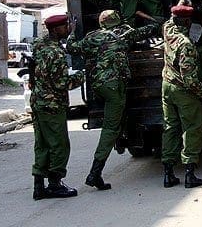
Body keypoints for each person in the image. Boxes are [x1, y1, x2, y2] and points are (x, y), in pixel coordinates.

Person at [66, 10, 159, 191]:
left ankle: (123, 140)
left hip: (98, 86)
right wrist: (151, 19)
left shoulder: (92, 37)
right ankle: (95, 173)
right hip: (114, 87)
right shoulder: (125, 33)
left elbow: (71, 48)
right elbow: (151, 29)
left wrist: (72, 31)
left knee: (117, 120)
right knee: (110, 129)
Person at [30, 14, 85, 200]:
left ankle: (39, 185)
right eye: (66, 26)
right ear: (55, 30)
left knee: (42, 144)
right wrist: (83, 75)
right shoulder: (56, 53)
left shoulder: (40, 45)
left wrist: (70, 34)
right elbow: (62, 83)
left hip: (38, 102)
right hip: (52, 104)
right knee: (59, 144)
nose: (69, 27)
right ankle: (54, 184)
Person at [161, 4, 202, 188]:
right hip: (184, 91)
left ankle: (168, 173)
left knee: (170, 128)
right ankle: (190, 173)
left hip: (167, 87)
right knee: (192, 128)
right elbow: (189, 78)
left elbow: (169, 19)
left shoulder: (167, 30)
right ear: (188, 22)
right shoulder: (186, 44)